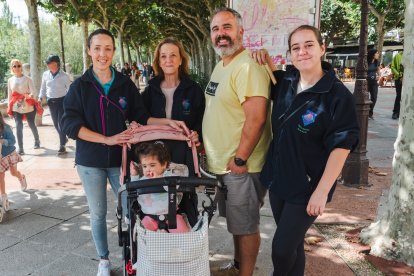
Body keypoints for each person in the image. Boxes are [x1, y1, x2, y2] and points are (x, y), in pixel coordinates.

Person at [61, 28, 192, 276]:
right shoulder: (79, 86)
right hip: (90, 161)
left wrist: (169, 123)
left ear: (114, 51)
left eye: (108, 48)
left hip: (122, 161)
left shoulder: (124, 83)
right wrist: (107, 139)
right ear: (89, 51)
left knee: (131, 209)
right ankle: (103, 260)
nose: (103, 54)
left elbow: (141, 117)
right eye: (97, 48)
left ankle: (133, 256)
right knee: (98, 212)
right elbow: (70, 125)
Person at [252, 25, 359, 276]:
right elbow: (265, 76)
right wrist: (264, 56)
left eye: (309, 45)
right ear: (290, 54)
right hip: (278, 178)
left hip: (308, 186)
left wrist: (321, 192)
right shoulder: (286, 81)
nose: (302, 52)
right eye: (296, 47)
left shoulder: (337, 95)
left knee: (280, 249)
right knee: (293, 246)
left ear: (322, 48)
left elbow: (342, 146)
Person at [203, 8, 271, 276]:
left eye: (227, 27)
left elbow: (256, 119)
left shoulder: (248, 66)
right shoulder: (222, 64)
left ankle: (246, 273)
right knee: (236, 222)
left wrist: (241, 158)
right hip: (224, 163)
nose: (221, 34)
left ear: (241, 31)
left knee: (246, 225)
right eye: (216, 29)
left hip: (242, 165)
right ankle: (237, 264)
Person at [142, 37, 204, 145]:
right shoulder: (149, 91)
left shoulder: (194, 90)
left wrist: (197, 135)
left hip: (184, 155)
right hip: (154, 156)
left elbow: (201, 122)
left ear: (180, 60)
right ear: (159, 62)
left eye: (173, 55)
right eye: (163, 56)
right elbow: (141, 118)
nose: (168, 60)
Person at [131, 142, 190, 233]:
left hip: (172, 216)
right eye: (144, 166)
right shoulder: (142, 180)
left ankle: (180, 247)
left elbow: (176, 186)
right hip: (149, 217)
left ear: (164, 165)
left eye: (152, 165)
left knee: (184, 234)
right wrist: (134, 175)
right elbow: (134, 189)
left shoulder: (168, 176)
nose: (148, 169)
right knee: (140, 234)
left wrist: (158, 179)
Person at [38, 54, 72, 154]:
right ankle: (63, 137)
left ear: (56, 63)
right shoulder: (45, 74)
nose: (48, 65)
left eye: (50, 63)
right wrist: (40, 97)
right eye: (47, 63)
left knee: (60, 123)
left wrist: (70, 101)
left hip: (62, 101)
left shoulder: (64, 75)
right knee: (55, 124)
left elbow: (70, 89)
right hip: (51, 101)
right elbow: (43, 87)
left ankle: (62, 145)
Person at [7, 59, 41, 155]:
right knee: (18, 126)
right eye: (14, 66)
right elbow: (9, 96)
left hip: (28, 105)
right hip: (16, 107)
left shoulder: (28, 79)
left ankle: (37, 140)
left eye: (18, 65)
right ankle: (21, 148)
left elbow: (33, 91)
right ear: (12, 68)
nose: (17, 68)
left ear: (21, 67)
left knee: (31, 124)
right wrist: (9, 109)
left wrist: (30, 95)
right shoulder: (10, 80)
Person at [0, 112, 27, 223]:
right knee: (1, 175)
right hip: (0, 157)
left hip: (10, 154)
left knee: (13, 173)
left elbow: (13, 141)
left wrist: (3, 141)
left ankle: (21, 177)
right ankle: (4, 196)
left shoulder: (6, 128)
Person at [367, 49, 379, 119]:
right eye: (377, 53)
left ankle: (370, 113)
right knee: (366, 97)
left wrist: (379, 76)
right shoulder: (366, 62)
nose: (378, 54)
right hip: (366, 82)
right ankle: (366, 111)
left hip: (374, 82)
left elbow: (378, 70)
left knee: (374, 97)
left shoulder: (376, 62)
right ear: (373, 54)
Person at [391, 51, 403, 119]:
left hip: (409, 79)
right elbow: (393, 67)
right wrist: (398, 75)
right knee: (399, 95)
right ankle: (395, 112)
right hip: (399, 79)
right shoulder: (398, 55)